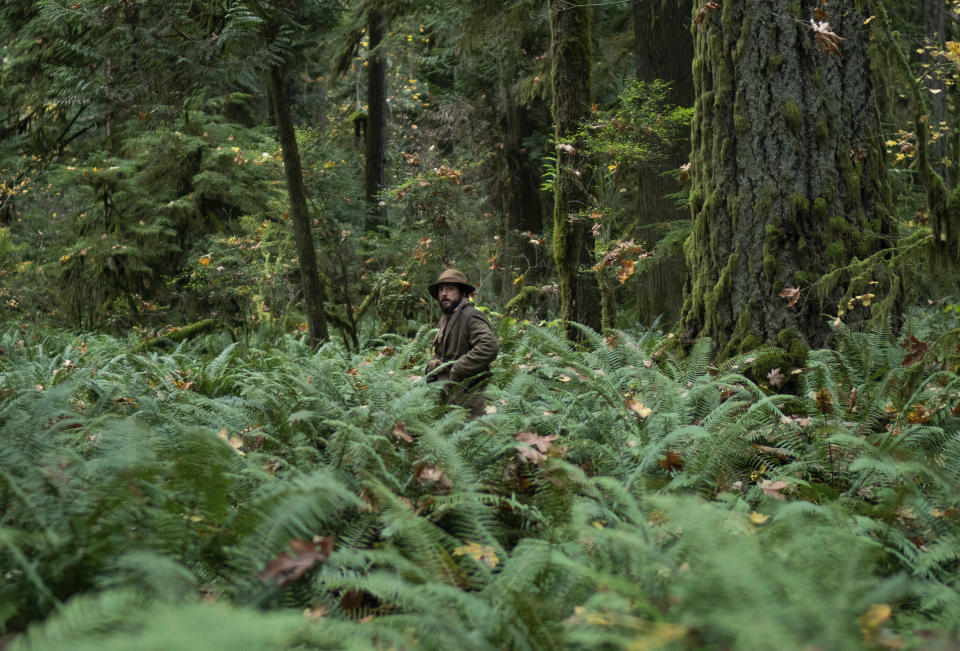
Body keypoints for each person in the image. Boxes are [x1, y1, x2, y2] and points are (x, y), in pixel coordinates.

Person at [425, 269, 498, 416]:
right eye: (441, 289)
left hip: (469, 395)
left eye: (450, 289)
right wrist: (434, 363)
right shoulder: (447, 319)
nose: (444, 293)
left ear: (463, 293)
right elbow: (440, 353)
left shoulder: (471, 316)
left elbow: (489, 346)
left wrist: (457, 368)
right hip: (447, 391)